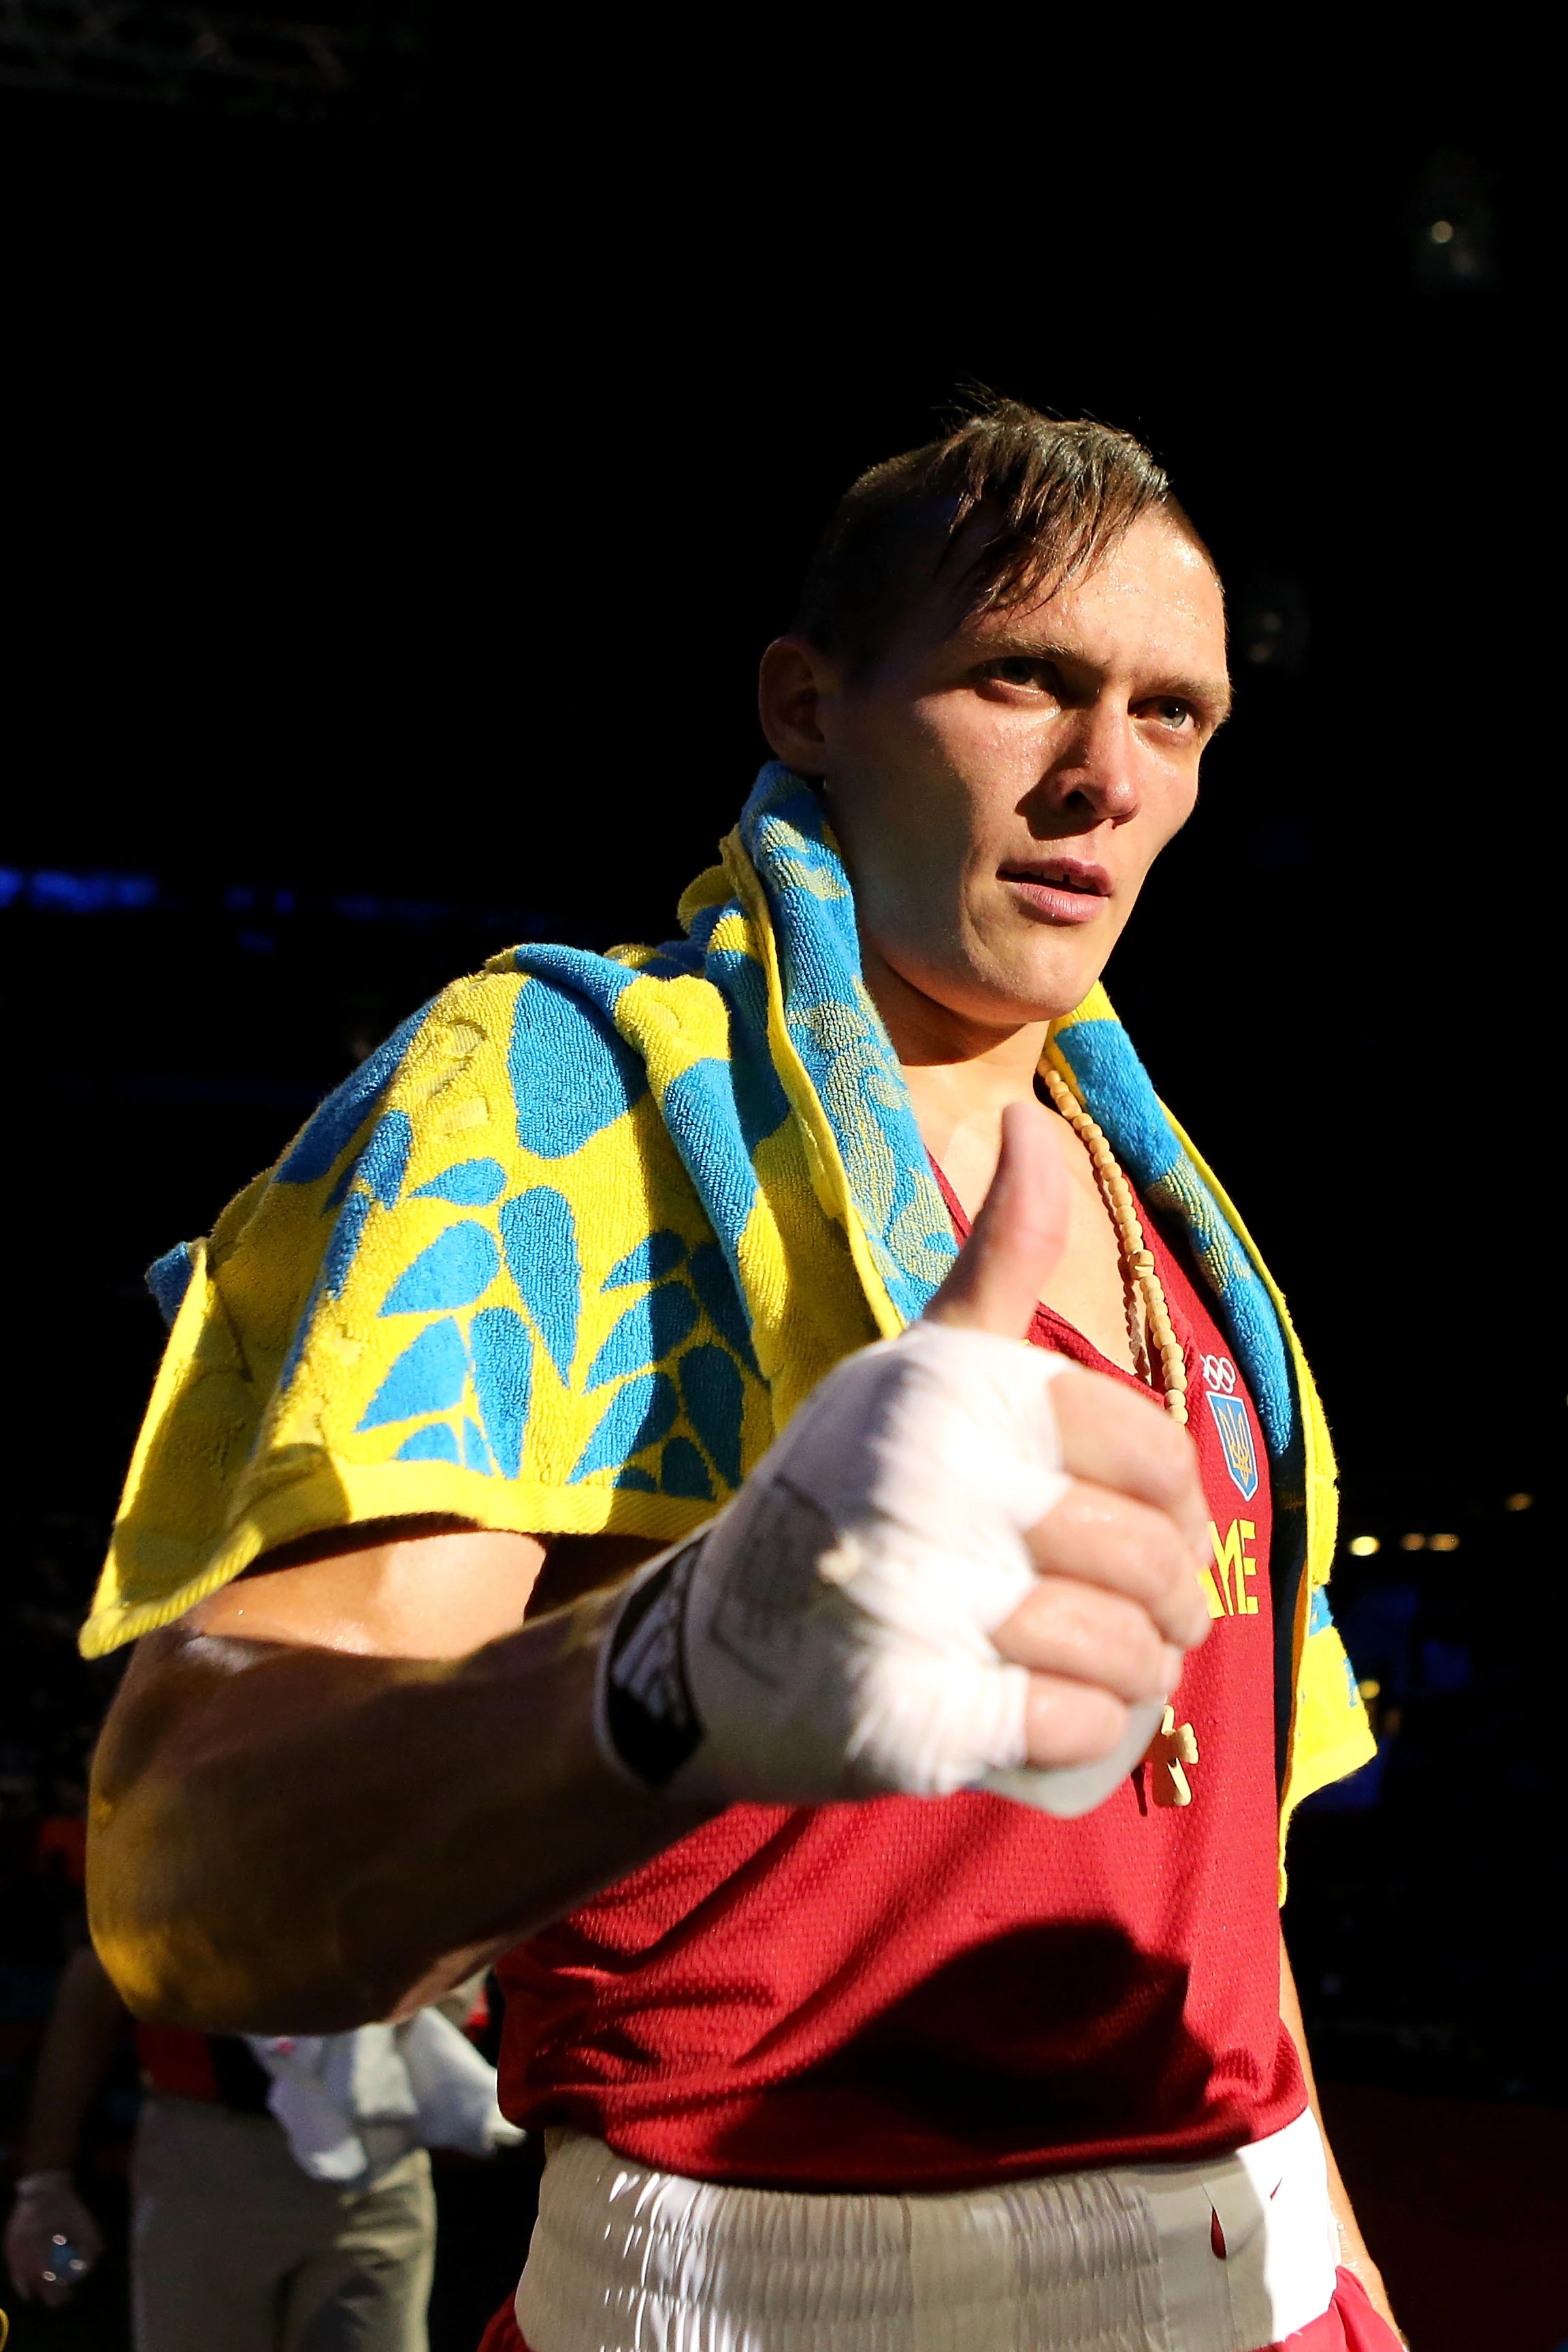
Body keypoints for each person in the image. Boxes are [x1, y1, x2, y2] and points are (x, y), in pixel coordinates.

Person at [80, 399, 1401, 2351]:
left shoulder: (1175, 1224)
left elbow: (1219, 1921)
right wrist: (673, 1671)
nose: (1104, 778)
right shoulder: (570, 1113)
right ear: (806, 704)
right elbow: (186, 1874)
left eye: (1175, 713)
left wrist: (1354, 2283)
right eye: (1021, 679)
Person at [3, 1942, 519, 2349]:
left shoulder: (408, 1816)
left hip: (381, 2160)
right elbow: (93, 1981)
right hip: (209, 2162)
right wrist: (44, 2181)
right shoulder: (184, 1815)